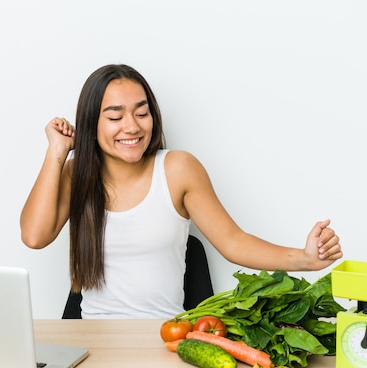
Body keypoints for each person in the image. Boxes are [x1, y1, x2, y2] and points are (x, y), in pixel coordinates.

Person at [20, 64, 342, 319]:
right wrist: (57, 151)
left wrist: (304, 259)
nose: (132, 126)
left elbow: (233, 241)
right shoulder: (76, 175)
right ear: (92, 123)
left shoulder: (177, 169)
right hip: (93, 342)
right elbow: (35, 236)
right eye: (115, 116)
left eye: (141, 113)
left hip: (164, 338)